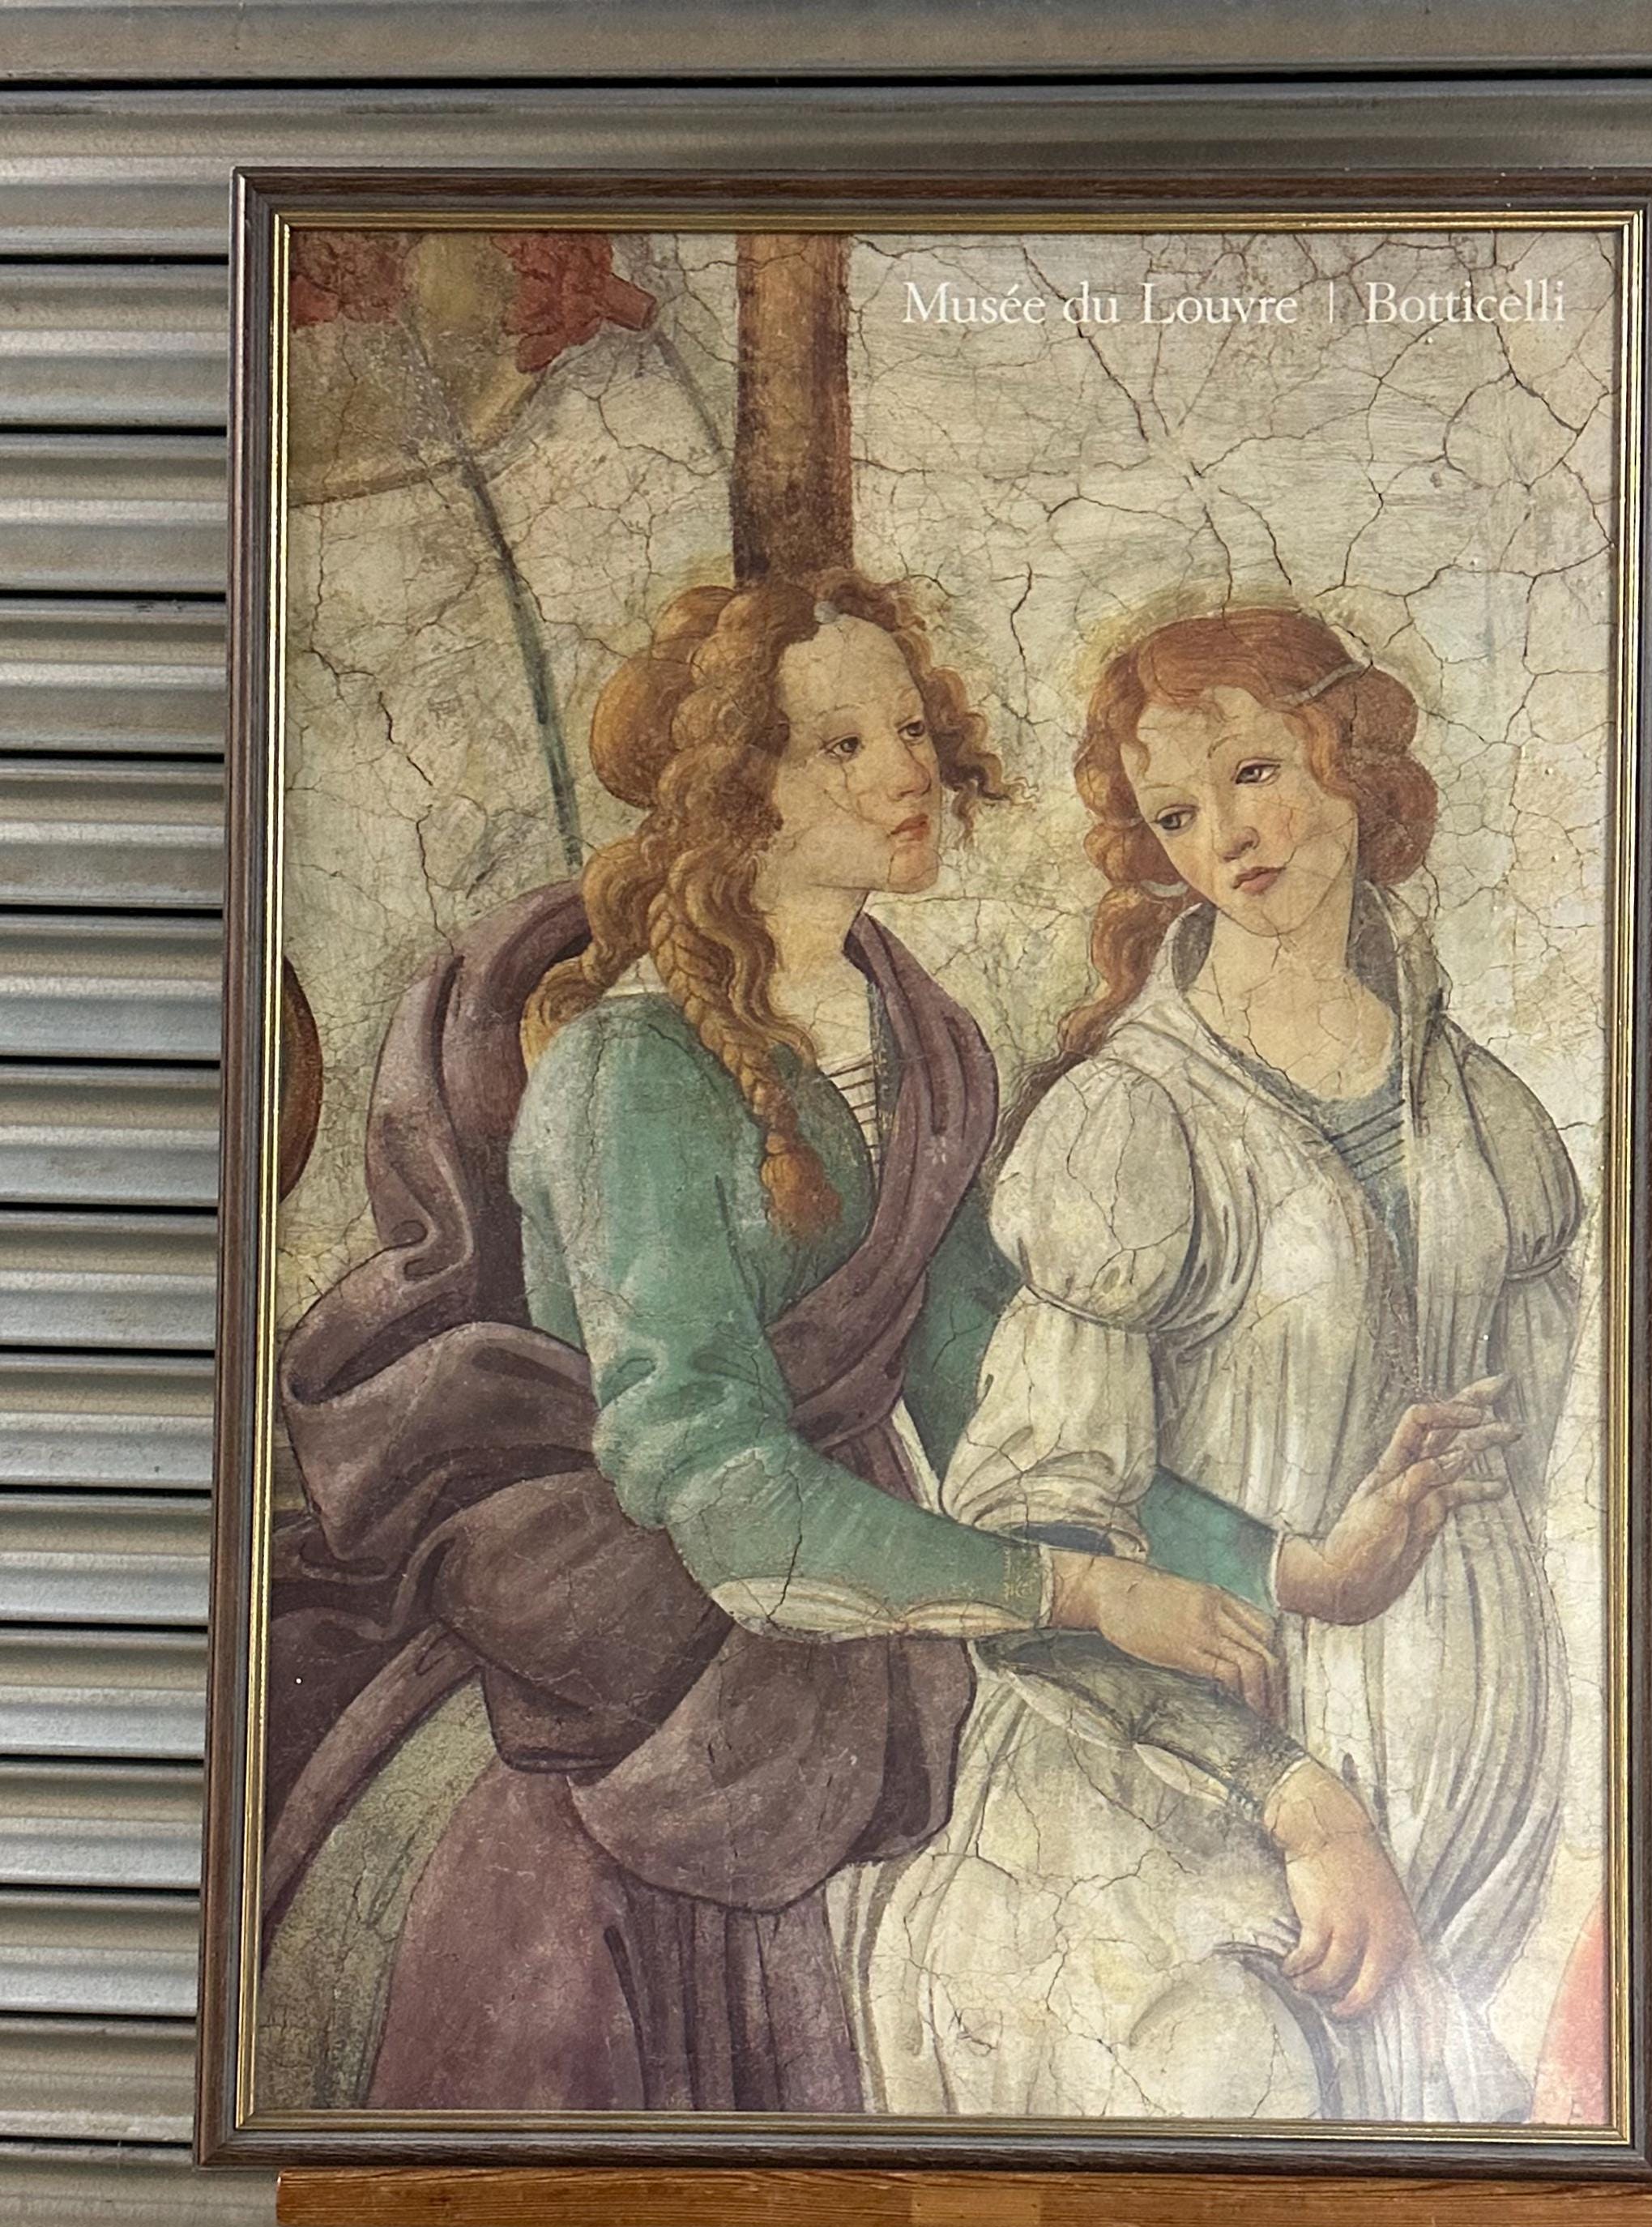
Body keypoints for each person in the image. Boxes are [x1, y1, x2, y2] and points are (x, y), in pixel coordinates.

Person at [257, 571, 1441, 2116]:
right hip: (660, 1655)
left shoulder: (925, 1051)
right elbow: (719, 1488)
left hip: (901, 1583)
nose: (907, 771)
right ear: (731, 790)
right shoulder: (631, 1075)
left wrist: (1284, 1566)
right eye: (842, 746)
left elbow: (997, 1417)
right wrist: (1078, 1590)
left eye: (912, 730)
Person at [849, 604, 1582, 2123]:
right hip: (1157, 1854)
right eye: (1177, 814)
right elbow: (1032, 1539)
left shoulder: (1491, 1119)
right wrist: (1295, 1781)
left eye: (1255, 774)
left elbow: (1528, 1478)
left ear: (1353, 762)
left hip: (1443, 1867)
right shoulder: (1132, 1126)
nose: (1226, 838)